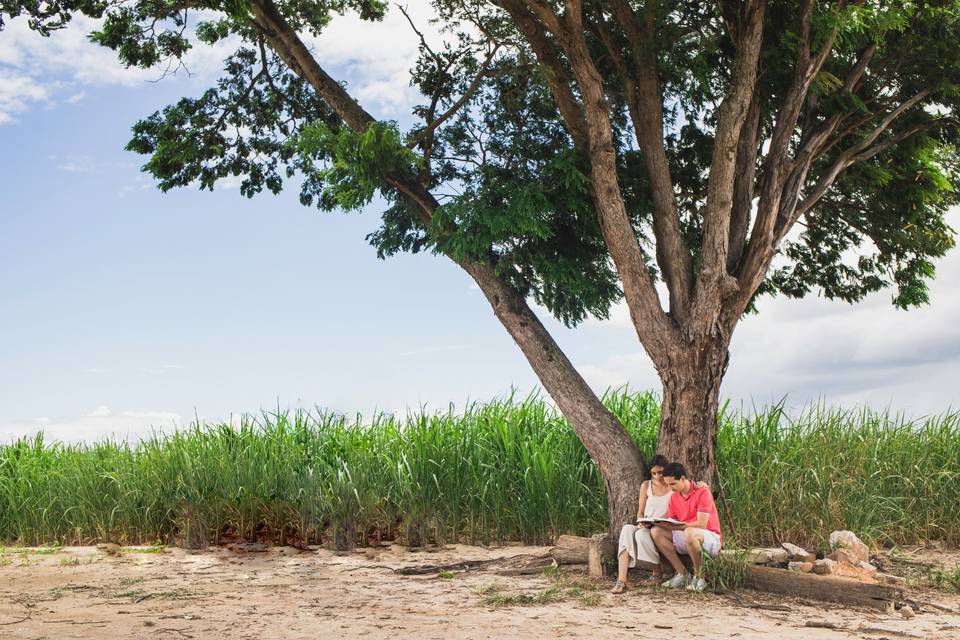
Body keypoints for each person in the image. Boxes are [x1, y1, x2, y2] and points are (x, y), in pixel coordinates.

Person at [610, 456, 709, 593]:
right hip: (647, 523)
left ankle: (656, 573)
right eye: (654, 473)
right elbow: (640, 511)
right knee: (627, 529)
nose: (657, 476)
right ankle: (621, 580)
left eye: (661, 472)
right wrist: (642, 520)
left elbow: (689, 486)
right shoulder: (646, 486)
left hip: (663, 527)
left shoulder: (673, 487)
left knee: (643, 535)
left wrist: (703, 484)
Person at [651, 462, 723, 593]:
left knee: (690, 532)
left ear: (683, 479)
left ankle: (700, 578)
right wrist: (663, 524)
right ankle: (682, 574)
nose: (670, 487)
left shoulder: (702, 492)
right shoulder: (674, 497)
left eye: (673, 484)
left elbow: (701, 523)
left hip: (709, 537)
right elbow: (673, 521)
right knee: (656, 532)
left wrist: (681, 526)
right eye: (667, 484)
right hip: (687, 536)